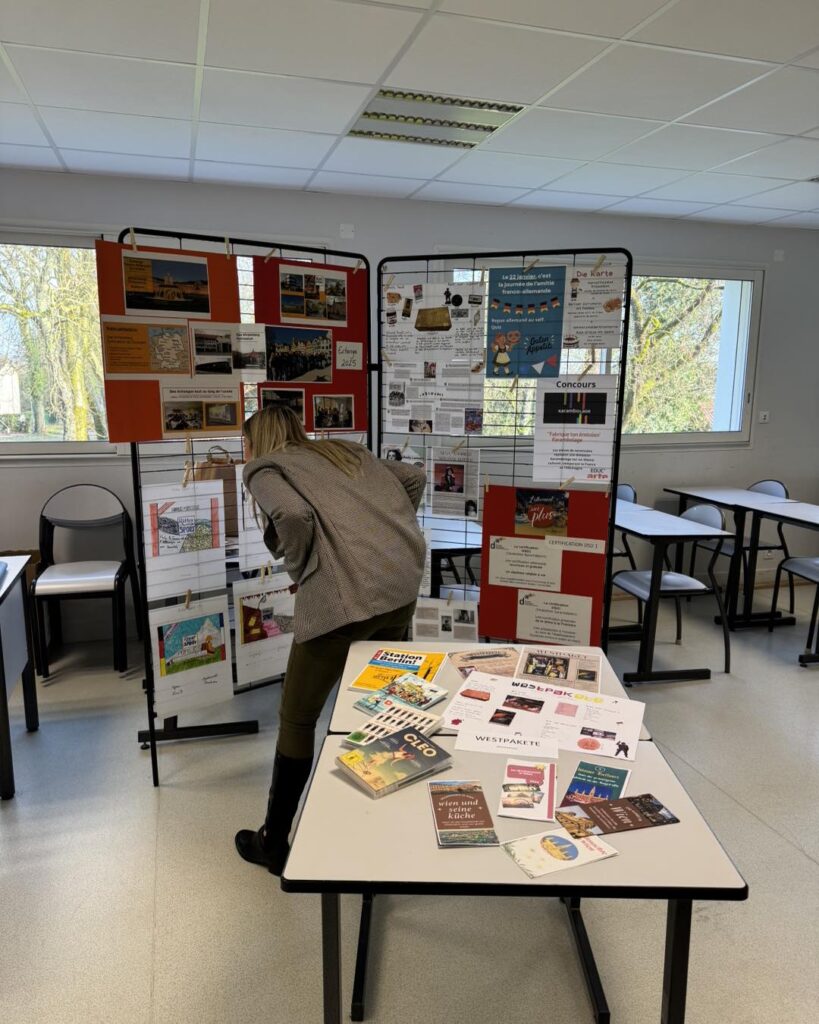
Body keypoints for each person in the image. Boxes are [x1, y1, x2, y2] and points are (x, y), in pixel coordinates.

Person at [234, 406, 427, 874]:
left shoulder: (264, 467)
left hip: (345, 600)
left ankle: (273, 841)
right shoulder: (342, 451)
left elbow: (292, 514)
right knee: (380, 703)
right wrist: (387, 534)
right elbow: (414, 478)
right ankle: (380, 816)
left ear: (254, 441)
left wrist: (301, 567)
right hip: (399, 588)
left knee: (298, 717)